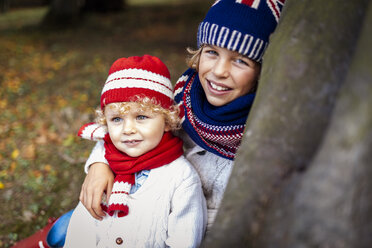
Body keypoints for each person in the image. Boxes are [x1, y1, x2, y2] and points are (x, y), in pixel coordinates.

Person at [12, 0, 285, 246]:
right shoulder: (181, 99)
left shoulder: (262, 135)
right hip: (134, 198)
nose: (219, 71)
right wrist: (100, 164)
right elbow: (126, 126)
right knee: (67, 229)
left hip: (178, 228)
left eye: (240, 60)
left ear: (263, 69)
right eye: (212, 52)